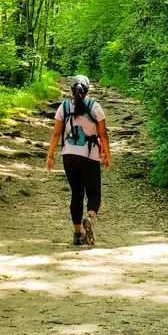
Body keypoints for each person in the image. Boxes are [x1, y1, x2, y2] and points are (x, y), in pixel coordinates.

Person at [46, 75, 111, 246]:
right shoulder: (95, 107)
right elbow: (103, 135)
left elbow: (56, 134)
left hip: (69, 156)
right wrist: (107, 155)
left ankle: (77, 233)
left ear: (71, 90)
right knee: (94, 192)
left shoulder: (64, 107)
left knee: (76, 193)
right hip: (89, 156)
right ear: (87, 90)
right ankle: (90, 218)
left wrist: (50, 155)